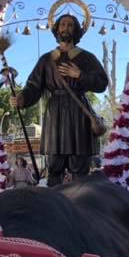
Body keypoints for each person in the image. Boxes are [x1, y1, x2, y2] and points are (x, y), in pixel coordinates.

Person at [14, 13, 108, 187]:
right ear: (57, 29)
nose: (66, 28)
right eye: (62, 24)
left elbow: (102, 83)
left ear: (76, 30)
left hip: (78, 112)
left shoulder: (87, 58)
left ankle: (80, 203)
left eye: (70, 25)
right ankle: (53, 204)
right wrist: (22, 98)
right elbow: (34, 86)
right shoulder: (46, 59)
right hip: (55, 113)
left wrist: (80, 75)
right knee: (54, 164)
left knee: (79, 164)